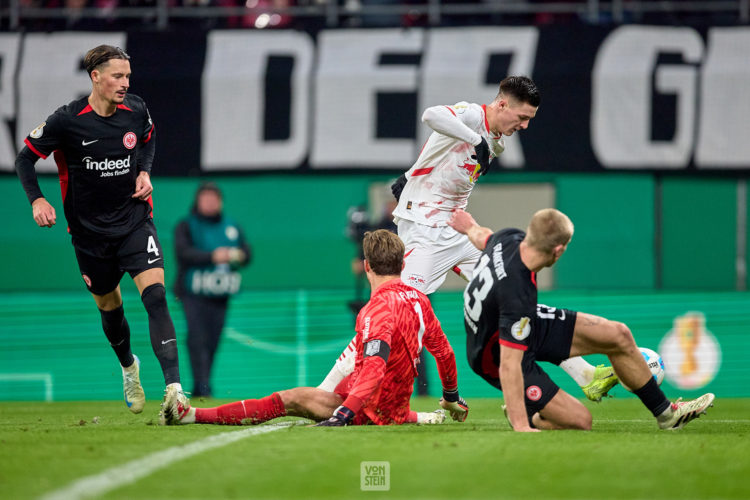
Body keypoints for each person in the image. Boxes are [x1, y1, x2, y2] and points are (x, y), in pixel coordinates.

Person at [320, 76, 618, 403]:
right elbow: (432, 116)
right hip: (424, 231)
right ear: (502, 104)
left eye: (529, 120)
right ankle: (323, 392)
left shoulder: (498, 142)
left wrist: (410, 175)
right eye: (521, 117)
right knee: (390, 313)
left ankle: (586, 374)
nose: (524, 126)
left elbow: (442, 155)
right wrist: (468, 142)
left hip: (456, 231)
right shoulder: (474, 117)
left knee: (514, 296)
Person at [14, 44, 189, 422]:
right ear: (95, 76)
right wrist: (36, 201)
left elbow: (148, 138)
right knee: (111, 309)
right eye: (117, 76)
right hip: (90, 235)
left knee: (156, 297)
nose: (125, 83)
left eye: (127, 76)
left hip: (134, 222)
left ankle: (175, 388)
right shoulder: (67, 120)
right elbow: (25, 158)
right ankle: (129, 366)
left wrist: (144, 171)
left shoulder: (136, 109)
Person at [163, 229, 469, 427]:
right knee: (353, 359)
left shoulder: (376, 309)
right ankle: (420, 416)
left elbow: (375, 367)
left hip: (368, 408)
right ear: (403, 265)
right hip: (393, 406)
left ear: (366, 267)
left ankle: (192, 416)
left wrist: (344, 414)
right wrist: (452, 396)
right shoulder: (419, 300)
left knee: (288, 399)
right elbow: (444, 353)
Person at [447, 208, 715, 431]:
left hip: (521, 322)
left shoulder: (509, 238)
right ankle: (528, 415)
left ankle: (667, 415)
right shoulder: (518, 292)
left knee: (617, 335)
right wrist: (522, 427)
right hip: (493, 354)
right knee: (580, 421)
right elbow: (509, 365)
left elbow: (483, 236)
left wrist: (468, 225)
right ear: (559, 249)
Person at [174, 182, 251, 398]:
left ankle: (204, 383)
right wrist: (211, 256)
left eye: (214, 198)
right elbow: (183, 253)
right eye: (205, 198)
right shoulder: (186, 225)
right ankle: (202, 385)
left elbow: (247, 252)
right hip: (193, 294)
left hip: (220, 295)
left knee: (213, 340)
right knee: (197, 338)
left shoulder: (231, 226)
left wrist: (238, 256)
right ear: (197, 201)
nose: (210, 202)